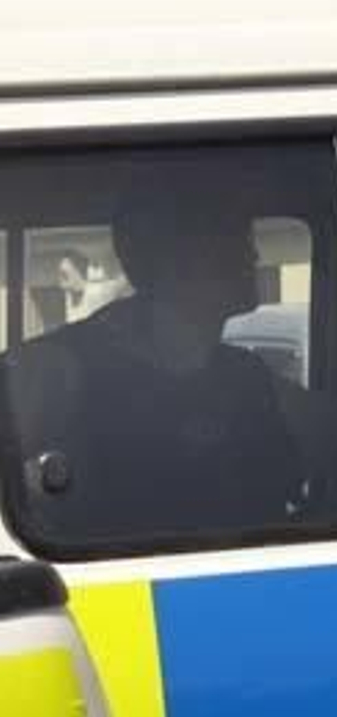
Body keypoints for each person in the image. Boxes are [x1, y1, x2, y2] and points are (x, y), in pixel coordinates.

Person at [2, 188, 305, 543]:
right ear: (174, 259)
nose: (253, 255)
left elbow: (300, 472)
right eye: (233, 238)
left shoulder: (243, 375)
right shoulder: (60, 368)